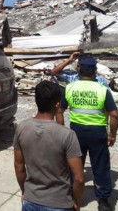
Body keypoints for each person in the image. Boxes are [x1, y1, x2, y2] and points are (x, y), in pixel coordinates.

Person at [56, 56, 118, 211]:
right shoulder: (103, 90)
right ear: (95, 72)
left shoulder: (69, 88)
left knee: (74, 165)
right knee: (101, 166)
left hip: (76, 133)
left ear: (78, 69)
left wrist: (62, 131)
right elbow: (115, 115)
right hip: (98, 133)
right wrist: (112, 135)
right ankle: (103, 201)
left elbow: (59, 111)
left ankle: (73, 195)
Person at [14, 80, 84, 211]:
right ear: (57, 105)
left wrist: (25, 192)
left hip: (31, 201)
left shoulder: (21, 128)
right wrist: (76, 202)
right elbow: (79, 178)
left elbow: (19, 166)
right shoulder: (67, 135)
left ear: (36, 101)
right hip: (59, 203)